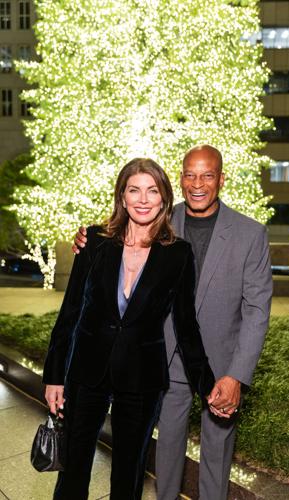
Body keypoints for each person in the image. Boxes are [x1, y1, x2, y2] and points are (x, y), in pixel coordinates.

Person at [73, 145, 272, 500]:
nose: (198, 183)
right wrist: (87, 240)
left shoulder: (250, 234)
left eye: (207, 175)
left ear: (221, 180)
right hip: (162, 359)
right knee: (166, 448)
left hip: (220, 366)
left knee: (217, 450)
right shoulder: (155, 218)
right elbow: (114, 245)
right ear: (179, 180)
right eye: (189, 174)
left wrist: (237, 374)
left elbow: (257, 310)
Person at [43, 158, 217, 500]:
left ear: (164, 199)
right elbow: (71, 312)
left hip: (141, 377)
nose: (143, 199)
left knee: (128, 472)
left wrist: (207, 383)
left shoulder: (178, 254)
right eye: (134, 190)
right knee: (73, 469)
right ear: (121, 197)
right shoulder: (93, 241)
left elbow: (186, 324)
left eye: (152, 191)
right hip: (86, 370)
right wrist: (54, 375)